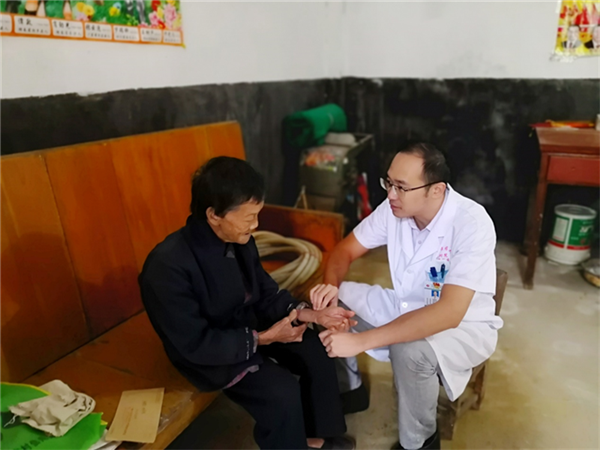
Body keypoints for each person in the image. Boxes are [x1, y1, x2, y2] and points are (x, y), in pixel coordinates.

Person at [139, 156, 356, 450]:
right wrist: (264, 338)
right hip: (209, 351)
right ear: (214, 215)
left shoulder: (240, 241)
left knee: (314, 349)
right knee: (280, 392)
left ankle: (317, 436)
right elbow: (196, 343)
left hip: (247, 326)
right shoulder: (166, 267)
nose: (256, 225)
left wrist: (312, 315)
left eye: (258, 214)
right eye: (249, 217)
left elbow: (265, 294)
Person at [310, 143, 503, 450]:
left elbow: (449, 313)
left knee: (409, 351)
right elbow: (344, 250)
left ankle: (419, 443)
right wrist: (330, 288)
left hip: (459, 327)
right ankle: (350, 390)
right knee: (330, 305)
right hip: (404, 308)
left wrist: (360, 341)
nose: (390, 194)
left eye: (401, 186)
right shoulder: (394, 209)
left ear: (436, 190)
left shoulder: (471, 223)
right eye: (388, 183)